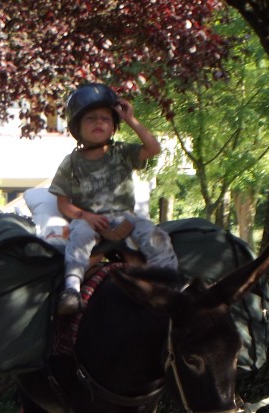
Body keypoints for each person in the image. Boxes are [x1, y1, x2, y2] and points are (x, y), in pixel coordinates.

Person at [49, 83, 177, 315]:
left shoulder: (122, 152)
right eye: (91, 118)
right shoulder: (70, 162)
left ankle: (171, 281)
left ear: (114, 126)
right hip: (90, 219)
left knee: (154, 236)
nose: (99, 122)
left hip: (126, 217)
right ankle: (71, 289)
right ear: (77, 127)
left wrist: (131, 120)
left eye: (105, 119)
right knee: (78, 236)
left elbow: (154, 148)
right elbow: (63, 203)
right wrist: (83, 215)